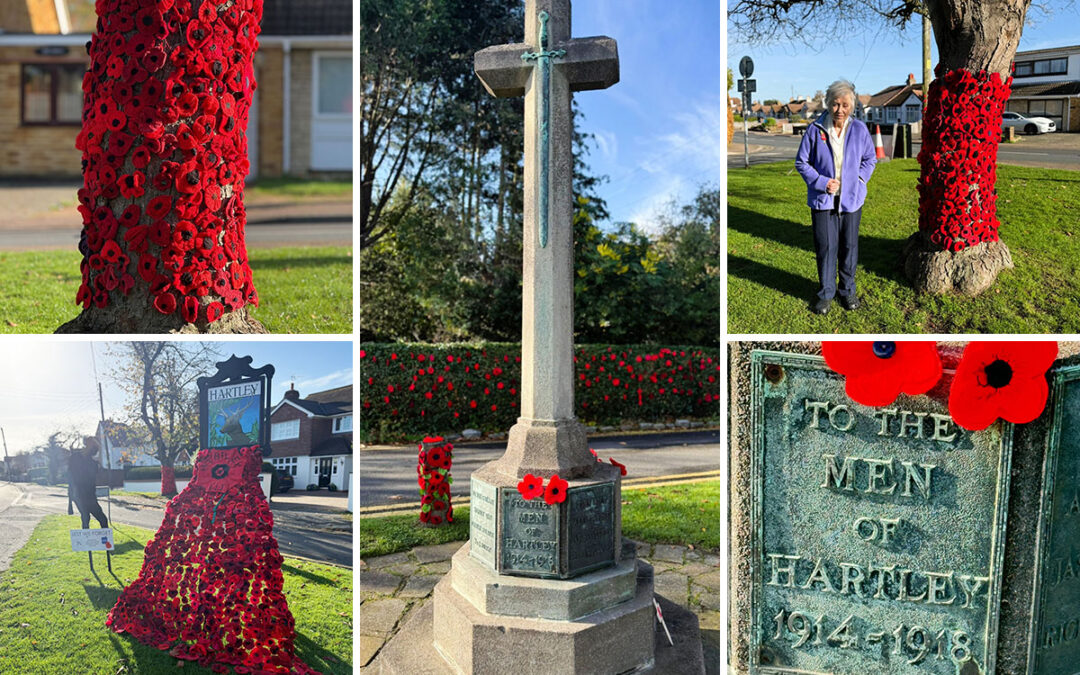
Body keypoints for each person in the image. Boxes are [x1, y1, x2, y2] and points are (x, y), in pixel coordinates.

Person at [794, 79, 877, 315]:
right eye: (835, 104)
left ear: (852, 106)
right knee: (826, 247)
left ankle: (847, 290)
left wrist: (860, 180)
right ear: (827, 104)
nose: (839, 110)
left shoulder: (860, 129)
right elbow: (802, 162)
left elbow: (870, 160)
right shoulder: (814, 130)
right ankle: (826, 293)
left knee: (849, 247)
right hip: (823, 200)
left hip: (852, 199)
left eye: (845, 105)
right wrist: (822, 182)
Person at [69, 436, 108, 529]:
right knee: (86, 517)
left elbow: (96, 476)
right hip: (79, 493)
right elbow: (71, 475)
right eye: (94, 447)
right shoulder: (75, 458)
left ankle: (104, 541)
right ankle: (88, 541)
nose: (95, 451)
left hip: (89, 494)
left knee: (98, 518)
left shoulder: (92, 462)